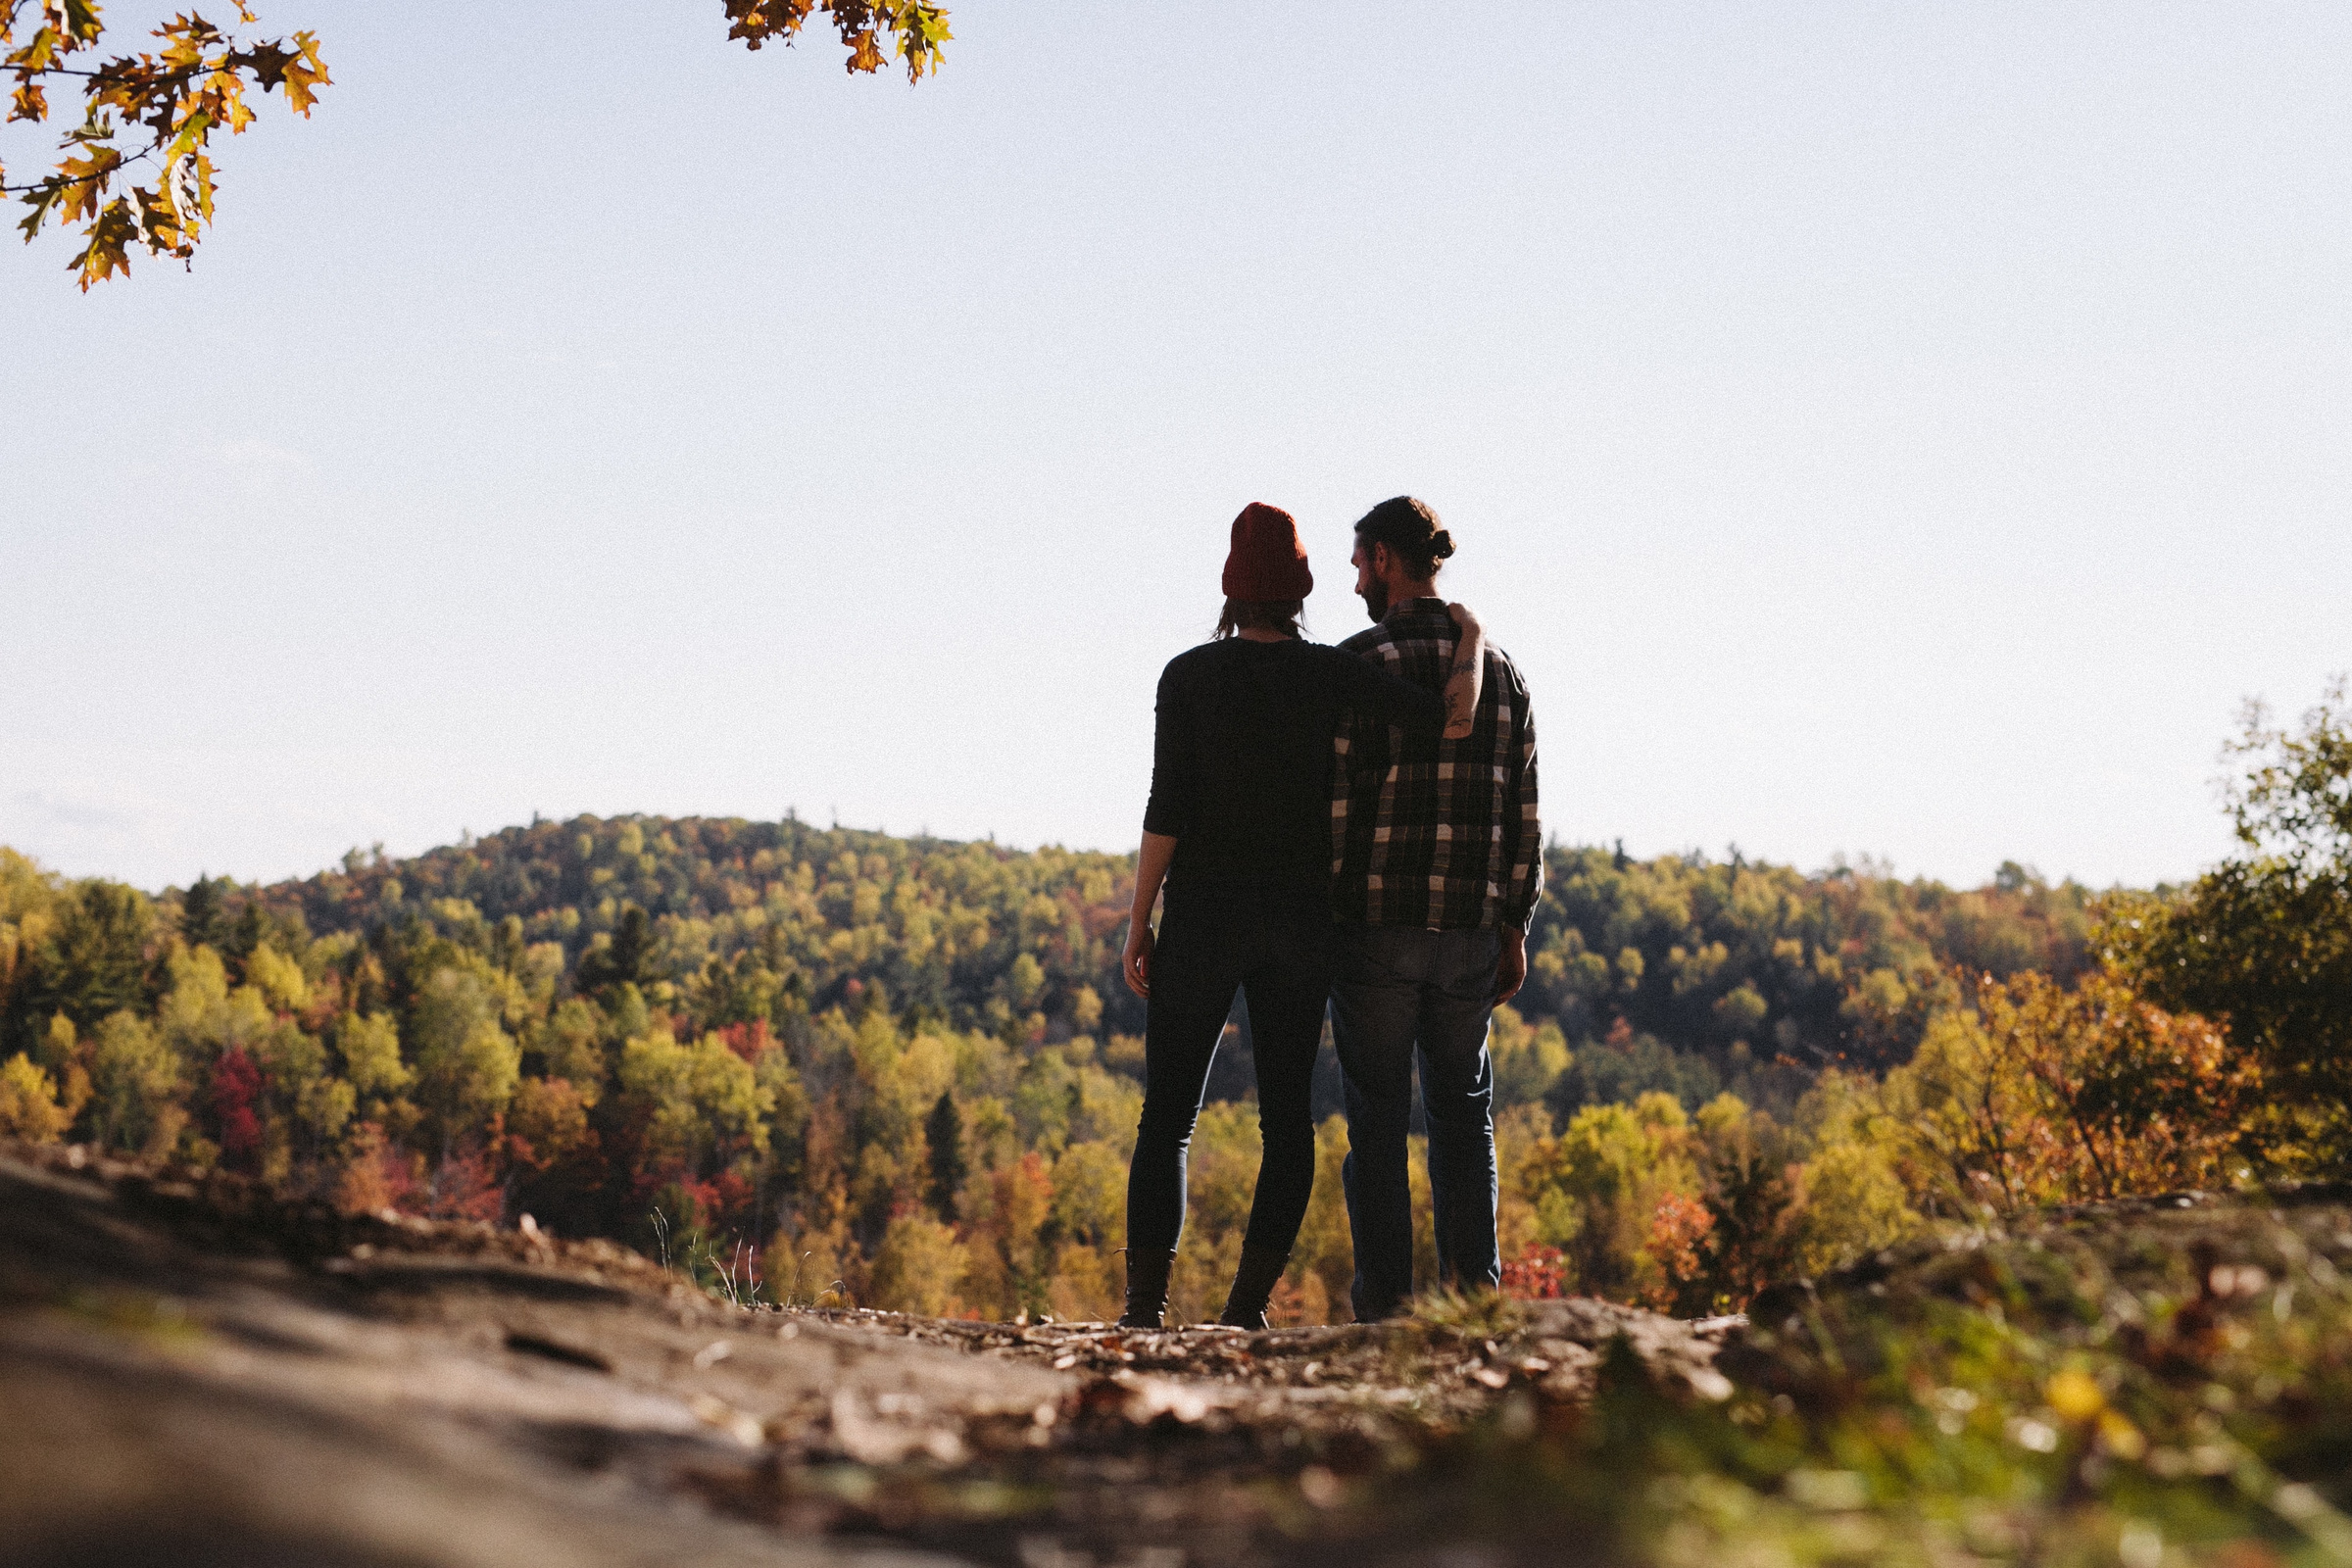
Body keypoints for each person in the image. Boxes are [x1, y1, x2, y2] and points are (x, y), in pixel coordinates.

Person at [1117, 502, 1487, 1330]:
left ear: (1229, 589)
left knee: (1168, 1116)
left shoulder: (1186, 677)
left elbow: (1165, 808)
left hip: (1205, 919)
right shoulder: (1329, 674)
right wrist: (1470, 634)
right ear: (1302, 588)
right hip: (1299, 925)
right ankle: (1245, 1310)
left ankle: (1145, 1311)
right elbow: (1453, 720)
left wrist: (1140, 920)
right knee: (1287, 1123)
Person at [1329, 496, 1541, 1321]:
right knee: (1463, 1118)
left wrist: (1331, 915)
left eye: (1357, 564)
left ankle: (1385, 1308)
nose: (1353, 581)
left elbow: (1337, 810)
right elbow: (1524, 811)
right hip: (1468, 934)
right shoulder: (1503, 674)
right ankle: (1471, 1304)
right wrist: (1514, 924)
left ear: (1385, 558)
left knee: (1376, 1122)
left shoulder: (1361, 663)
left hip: (1377, 929)